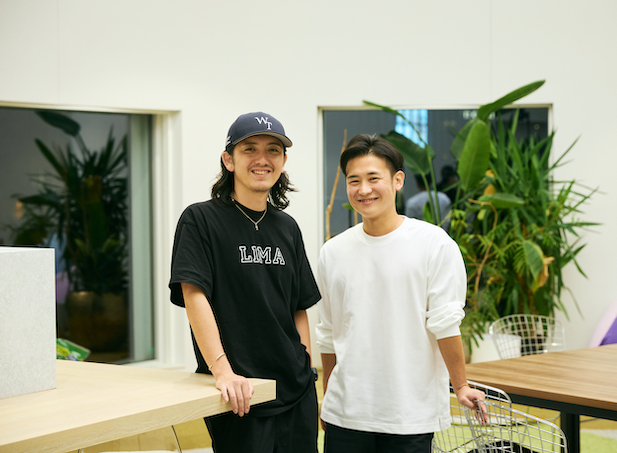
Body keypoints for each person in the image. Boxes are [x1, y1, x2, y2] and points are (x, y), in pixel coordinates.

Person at [316, 133, 486, 453]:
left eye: (373, 178)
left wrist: (461, 385)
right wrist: (329, 398)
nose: (363, 189)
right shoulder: (333, 252)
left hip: (409, 414)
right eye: (354, 181)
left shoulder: (434, 244)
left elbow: (445, 323)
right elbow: (328, 333)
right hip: (346, 414)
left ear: (397, 181)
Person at [169, 112, 321, 453]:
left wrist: (307, 368)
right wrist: (222, 372)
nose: (262, 159)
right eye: (249, 149)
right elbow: (194, 295)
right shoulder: (200, 220)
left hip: (297, 391)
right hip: (240, 393)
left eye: (273, 150)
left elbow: (298, 305)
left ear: (283, 162)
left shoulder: (287, 227)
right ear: (229, 160)